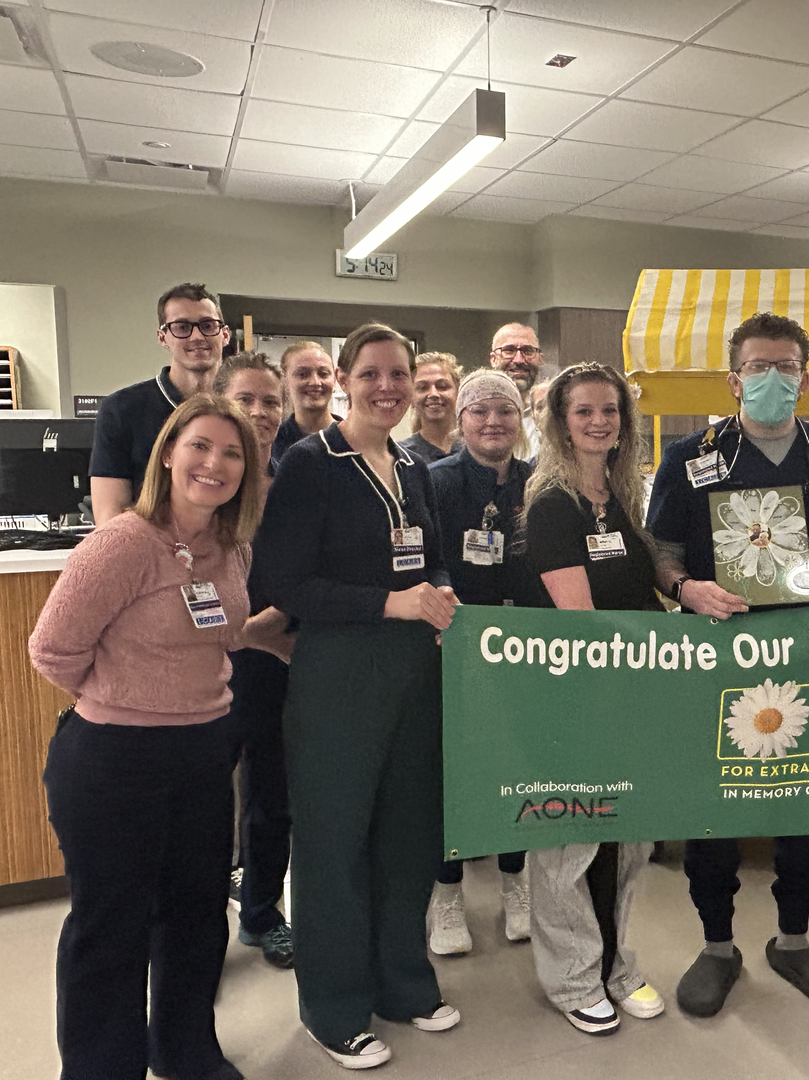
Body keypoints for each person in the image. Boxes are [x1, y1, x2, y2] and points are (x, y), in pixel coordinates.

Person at [30, 394, 268, 1080]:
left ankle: (186, 1051)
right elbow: (51, 650)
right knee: (111, 927)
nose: (214, 463)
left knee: (196, 916)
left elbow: (222, 637)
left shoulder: (231, 549)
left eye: (232, 453)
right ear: (168, 452)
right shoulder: (124, 542)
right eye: (200, 445)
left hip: (201, 753)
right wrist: (119, 695)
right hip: (111, 760)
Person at [645, 312, 809, 1018]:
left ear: (804, 376)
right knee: (715, 804)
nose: (772, 380)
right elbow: (658, 549)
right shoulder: (693, 455)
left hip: (805, 652)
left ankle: (794, 939)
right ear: (732, 378)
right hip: (720, 654)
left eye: (786, 367)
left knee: (802, 802)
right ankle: (717, 946)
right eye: (758, 367)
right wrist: (685, 587)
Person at [252, 323, 460, 1069]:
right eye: (370, 372)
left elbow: (432, 559)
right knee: (335, 843)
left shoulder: (414, 466)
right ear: (343, 378)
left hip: (413, 674)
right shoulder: (312, 464)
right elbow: (284, 582)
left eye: (398, 373)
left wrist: (441, 597)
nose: (387, 386)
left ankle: (403, 982)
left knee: (407, 834)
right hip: (339, 673)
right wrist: (391, 604)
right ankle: (333, 1008)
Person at [520, 362, 665, 1037]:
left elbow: (647, 585)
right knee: (572, 841)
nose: (599, 422)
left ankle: (616, 963)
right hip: (579, 695)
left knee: (628, 839)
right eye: (584, 412)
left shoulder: (624, 496)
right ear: (559, 421)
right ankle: (574, 977)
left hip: (634, 693)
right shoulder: (552, 505)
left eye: (610, 411)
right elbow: (582, 621)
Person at [425, 369, 533, 955]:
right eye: (480, 411)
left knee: (514, 764)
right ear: (460, 420)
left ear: (521, 420)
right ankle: (446, 893)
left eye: (506, 411)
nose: (494, 422)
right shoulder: (435, 481)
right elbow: (425, 559)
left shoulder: (539, 482)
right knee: (454, 771)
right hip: (456, 644)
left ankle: (517, 880)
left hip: (525, 650)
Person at [214, 352, 296, 969]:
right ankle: (198, 924)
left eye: (272, 401)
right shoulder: (207, 483)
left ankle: (264, 913)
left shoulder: (295, 478)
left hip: (282, 668)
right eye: (247, 400)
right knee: (208, 804)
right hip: (213, 670)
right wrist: (252, 636)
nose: (262, 413)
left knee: (273, 797)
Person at [90, 282, 230, 523]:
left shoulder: (239, 409)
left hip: (223, 553)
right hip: (149, 553)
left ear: (225, 334)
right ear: (163, 337)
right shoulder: (121, 409)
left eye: (208, 326)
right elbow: (109, 515)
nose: (197, 336)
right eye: (182, 327)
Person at [272, 341, 340, 467]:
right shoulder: (272, 445)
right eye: (303, 374)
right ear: (284, 381)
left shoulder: (354, 440)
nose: (315, 382)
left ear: (335, 380)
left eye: (323, 374)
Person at [488, 322, 543, 455]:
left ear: (540, 360)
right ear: (493, 360)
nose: (519, 360)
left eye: (528, 351)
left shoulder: (552, 415)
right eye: (509, 350)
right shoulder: (476, 413)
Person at [399, 351, 462, 465]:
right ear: (410, 397)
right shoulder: (402, 456)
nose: (433, 394)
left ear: (458, 392)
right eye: (422, 387)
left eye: (442, 386)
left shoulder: (476, 450)